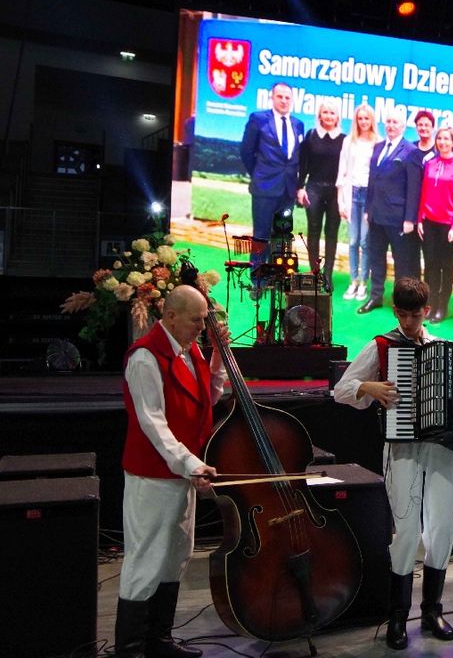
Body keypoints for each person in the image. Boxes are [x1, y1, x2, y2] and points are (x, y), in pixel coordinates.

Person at [333, 278, 453, 650]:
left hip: (444, 448)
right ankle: (397, 614)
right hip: (402, 448)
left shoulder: (444, 346)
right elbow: (341, 389)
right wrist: (368, 389)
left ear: (426, 311)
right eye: (402, 314)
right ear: (396, 312)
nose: (408, 322)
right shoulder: (382, 346)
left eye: (415, 314)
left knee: (441, 527)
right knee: (406, 530)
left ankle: (433, 609)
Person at [114, 285, 227, 658]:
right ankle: (129, 650)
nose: (202, 327)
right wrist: (193, 463)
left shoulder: (190, 349)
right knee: (146, 560)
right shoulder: (145, 357)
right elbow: (154, 425)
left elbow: (208, 399)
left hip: (179, 474)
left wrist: (216, 361)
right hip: (152, 478)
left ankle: (159, 641)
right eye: (197, 320)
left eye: (204, 320)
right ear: (171, 316)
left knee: (176, 555)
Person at [359, 105, 422, 314]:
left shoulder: (411, 151)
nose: (391, 126)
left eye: (395, 122)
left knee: (401, 262)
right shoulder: (378, 147)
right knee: (376, 257)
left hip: (398, 218)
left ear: (403, 126)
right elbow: (371, 181)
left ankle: (400, 303)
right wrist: (368, 209)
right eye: (388, 122)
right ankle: (375, 296)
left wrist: (410, 218)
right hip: (376, 215)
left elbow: (414, 188)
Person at [240, 82, 304, 277]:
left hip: (288, 191)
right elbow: (246, 151)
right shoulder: (258, 119)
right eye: (280, 96)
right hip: (264, 188)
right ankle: (258, 277)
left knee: (282, 237)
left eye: (287, 97)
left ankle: (277, 275)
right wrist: (259, 175)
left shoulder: (298, 124)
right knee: (261, 235)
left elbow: (297, 157)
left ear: (292, 100)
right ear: (272, 97)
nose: (284, 100)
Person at [417, 126, 453, 322]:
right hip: (429, 223)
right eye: (440, 139)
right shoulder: (430, 164)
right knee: (430, 265)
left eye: (447, 139)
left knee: (445, 266)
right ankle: (430, 303)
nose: (443, 142)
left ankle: (442, 306)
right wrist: (420, 218)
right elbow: (424, 193)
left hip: (448, 227)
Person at [296, 97, 344, 290]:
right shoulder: (311, 135)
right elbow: (303, 164)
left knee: (331, 233)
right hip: (314, 189)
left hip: (335, 191)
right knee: (313, 231)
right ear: (320, 115)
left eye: (332, 113)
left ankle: (328, 275)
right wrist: (300, 188)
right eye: (325, 112)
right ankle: (315, 273)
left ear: (337, 116)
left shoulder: (344, 139)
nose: (329, 116)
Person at [337, 103, 380, 301]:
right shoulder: (349, 141)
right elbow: (342, 170)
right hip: (351, 193)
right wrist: (340, 201)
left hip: (368, 195)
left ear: (372, 120)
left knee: (365, 241)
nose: (363, 122)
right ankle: (353, 280)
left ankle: (364, 281)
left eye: (367, 118)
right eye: (360, 118)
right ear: (356, 120)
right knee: (353, 241)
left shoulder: (378, 142)